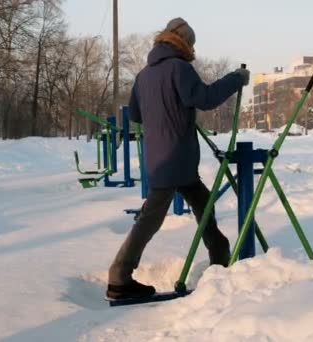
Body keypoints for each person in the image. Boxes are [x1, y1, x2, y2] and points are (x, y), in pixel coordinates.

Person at [107, 18, 250, 300]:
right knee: (152, 216)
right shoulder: (179, 68)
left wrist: (164, 111)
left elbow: (135, 114)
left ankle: (220, 258)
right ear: (183, 42)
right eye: (192, 44)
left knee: (203, 203)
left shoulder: (144, 74)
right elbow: (205, 98)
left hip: (161, 156)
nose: (192, 49)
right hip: (176, 156)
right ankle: (119, 276)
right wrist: (235, 79)